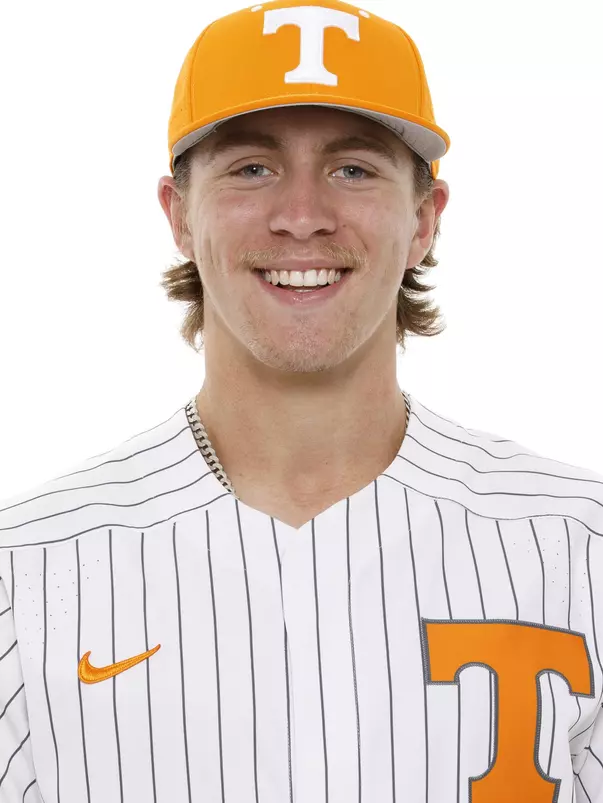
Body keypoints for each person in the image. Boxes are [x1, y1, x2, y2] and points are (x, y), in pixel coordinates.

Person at [0, 0, 602, 800]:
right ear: (179, 216)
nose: (301, 217)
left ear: (423, 219)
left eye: (352, 169)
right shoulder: (28, 570)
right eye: (251, 167)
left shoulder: (577, 545)